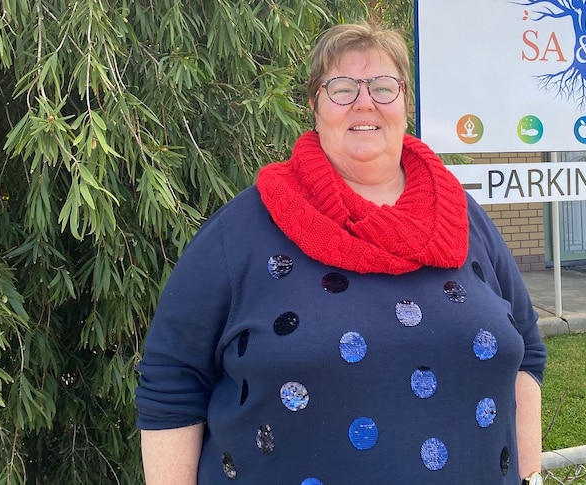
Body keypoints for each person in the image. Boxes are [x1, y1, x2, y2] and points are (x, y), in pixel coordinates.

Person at [135, 21, 547, 485]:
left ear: (406, 105)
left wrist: (529, 476)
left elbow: (527, 351)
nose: (365, 102)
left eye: (383, 88)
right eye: (343, 88)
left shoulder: (462, 217)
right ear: (314, 105)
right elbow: (172, 381)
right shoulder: (244, 229)